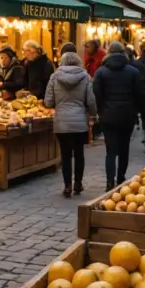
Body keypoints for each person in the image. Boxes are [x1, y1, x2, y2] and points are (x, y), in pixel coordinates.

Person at [93, 42, 145, 191]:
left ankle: (110, 181)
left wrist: (101, 110)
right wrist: (137, 110)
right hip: (127, 115)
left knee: (110, 151)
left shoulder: (101, 72)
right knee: (124, 149)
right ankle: (121, 179)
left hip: (108, 116)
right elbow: (139, 94)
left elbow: (97, 93)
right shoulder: (133, 71)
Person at [44, 52, 97, 197]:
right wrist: (93, 114)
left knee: (65, 154)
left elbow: (48, 102)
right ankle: (78, 184)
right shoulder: (85, 77)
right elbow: (91, 100)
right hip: (79, 122)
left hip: (61, 121)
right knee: (79, 154)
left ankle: (67, 185)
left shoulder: (54, 77)